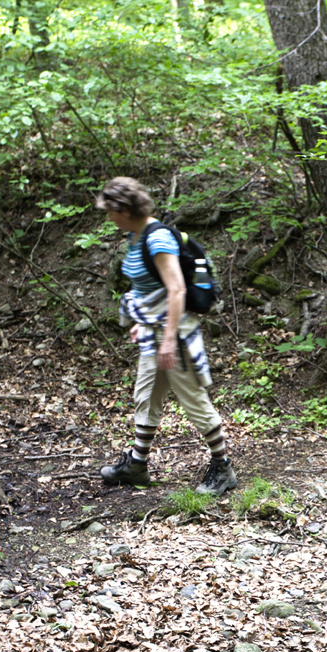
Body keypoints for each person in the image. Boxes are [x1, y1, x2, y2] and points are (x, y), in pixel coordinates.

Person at [94, 177, 236, 495]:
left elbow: (176, 289)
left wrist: (169, 338)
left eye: (110, 211)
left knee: (194, 401)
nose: (108, 218)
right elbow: (151, 288)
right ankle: (136, 466)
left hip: (176, 335)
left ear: (124, 209)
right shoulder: (136, 236)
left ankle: (223, 468)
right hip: (153, 332)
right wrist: (143, 321)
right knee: (146, 397)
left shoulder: (157, 238)